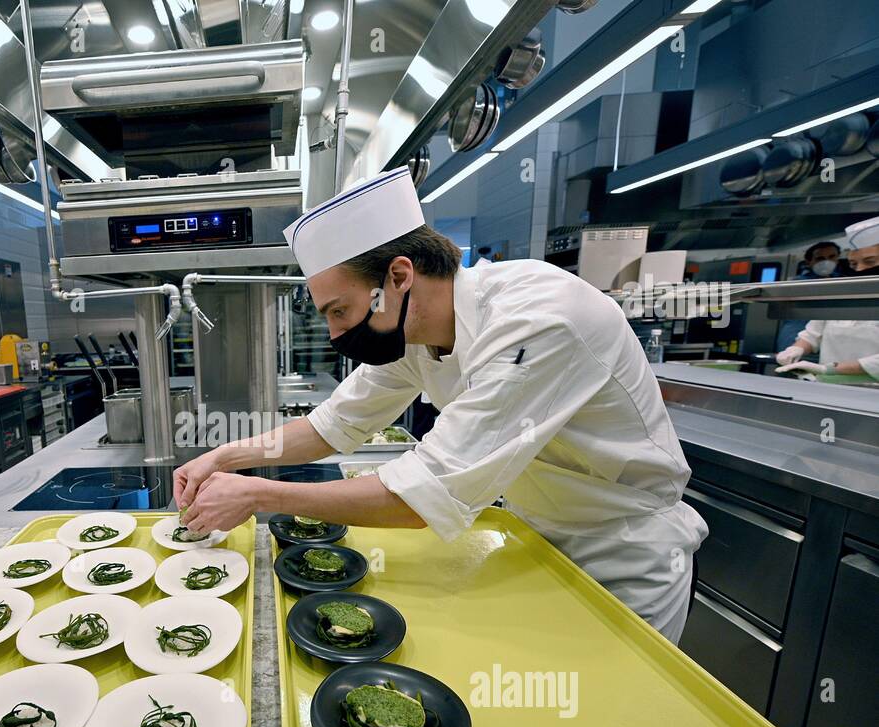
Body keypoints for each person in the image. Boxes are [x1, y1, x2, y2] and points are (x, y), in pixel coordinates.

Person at [174, 167, 708, 643]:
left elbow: (418, 499)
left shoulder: (540, 320)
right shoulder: (413, 333)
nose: (336, 334)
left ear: (399, 277)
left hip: (620, 559)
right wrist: (223, 458)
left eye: (340, 311)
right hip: (532, 541)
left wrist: (260, 494)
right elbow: (332, 426)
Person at [776, 217, 879, 380]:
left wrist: (828, 369)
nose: (860, 269)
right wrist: (796, 349)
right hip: (828, 388)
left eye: (869, 262)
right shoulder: (842, 294)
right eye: (853, 264)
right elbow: (813, 333)